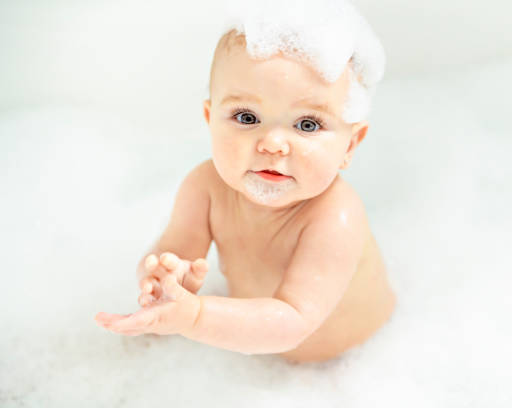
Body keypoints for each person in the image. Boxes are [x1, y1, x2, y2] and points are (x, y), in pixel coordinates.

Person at [95, 1, 396, 363]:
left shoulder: (335, 217)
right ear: (210, 118)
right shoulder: (205, 186)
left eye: (307, 124)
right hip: (255, 350)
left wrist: (196, 316)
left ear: (349, 145)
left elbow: (293, 321)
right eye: (246, 116)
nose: (271, 143)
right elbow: (173, 252)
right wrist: (162, 279)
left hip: (345, 364)